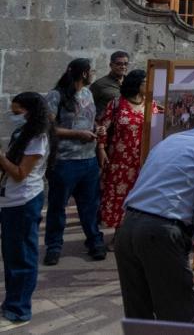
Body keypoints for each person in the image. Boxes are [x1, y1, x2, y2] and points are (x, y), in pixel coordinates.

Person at [114, 103, 194, 323]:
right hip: (160, 230)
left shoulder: (170, 140)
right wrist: (192, 237)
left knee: (138, 311)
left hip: (128, 226)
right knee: (177, 311)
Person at [44, 58, 106, 265]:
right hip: (65, 161)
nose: (94, 74)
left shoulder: (88, 93)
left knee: (90, 207)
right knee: (57, 206)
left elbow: (90, 120)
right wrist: (77, 134)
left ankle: (94, 241)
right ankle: (54, 247)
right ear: (84, 73)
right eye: (92, 71)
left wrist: (97, 129)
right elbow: (49, 128)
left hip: (88, 160)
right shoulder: (56, 96)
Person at [0, 92, 54, 326]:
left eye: (17, 112)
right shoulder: (24, 132)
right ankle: (12, 302)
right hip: (12, 200)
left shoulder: (38, 137)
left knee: (22, 257)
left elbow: (20, 174)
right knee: (12, 255)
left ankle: (20, 308)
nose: (13, 116)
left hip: (23, 201)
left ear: (30, 112)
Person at [96, 69, 148, 241]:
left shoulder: (151, 105)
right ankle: (118, 237)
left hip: (143, 161)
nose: (149, 85)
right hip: (120, 161)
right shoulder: (117, 104)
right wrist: (101, 148)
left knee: (140, 197)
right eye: (145, 82)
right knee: (120, 198)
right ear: (136, 84)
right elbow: (103, 127)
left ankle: (136, 235)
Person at [90, 50, 130, 120]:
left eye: (125, 64)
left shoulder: (131, 83)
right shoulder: (99, 85)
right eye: (119, 64)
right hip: (105, 125)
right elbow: (88, 109)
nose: (123, 67)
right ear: (111, 65)